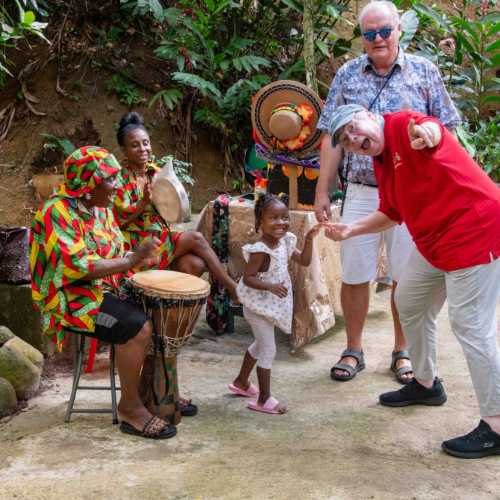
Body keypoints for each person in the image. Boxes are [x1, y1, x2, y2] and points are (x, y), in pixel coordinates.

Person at [324, 104, 500, 458]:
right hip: (435, 242)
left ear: (370, 115)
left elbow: (430, 130)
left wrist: (428, 135)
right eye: (346, 141)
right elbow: (392, 211)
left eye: (354, 128)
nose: (354, 139)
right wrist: (352, 228)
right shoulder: (382, 162)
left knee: (471, 325)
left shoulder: (403, 126)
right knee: (409, 303)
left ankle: (496, 425)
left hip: (475, 231)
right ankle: (425, 383)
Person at [314, 0, 461, 384]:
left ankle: (402, 350)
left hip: (413, 195)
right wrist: (322, 193)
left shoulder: (424, 71)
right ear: (361, 38)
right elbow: (330, 139)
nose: (378, 39)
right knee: (355, 272)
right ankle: (353, 349)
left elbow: (447, 130)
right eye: (370, 33)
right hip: (363, 189)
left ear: (399, 30)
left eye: (385, 31)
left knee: (405, 275)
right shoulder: (347, 75)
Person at [30, 146, 176, 439]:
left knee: (162, 310)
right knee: (136, 327)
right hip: (69, 298)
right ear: (87, 184)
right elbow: (81, 267)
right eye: (109, 180)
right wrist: (132, 259)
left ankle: (156, 390)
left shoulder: (101, 210)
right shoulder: (54, 213)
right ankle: (131, 407)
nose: (117, 187)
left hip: (104, 288)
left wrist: (139, 258)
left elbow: (115, 252)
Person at [113, 111, 239, 417]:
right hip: (139, 249)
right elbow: (117, 218)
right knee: (195, 240)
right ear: (124, 151)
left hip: (161, 238)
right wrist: (145, 201)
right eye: (134, 145)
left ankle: (168, 374)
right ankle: (232, 288)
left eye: (145, 143)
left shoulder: (157, 171)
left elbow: (176, 212)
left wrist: (166, 194)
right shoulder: (118, 178)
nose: (142, 149)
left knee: (194, 264)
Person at [229, 194, 322, 414]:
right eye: (273, 218)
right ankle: (264, 399)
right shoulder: (260, 250)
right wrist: (270, 286)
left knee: (260, 345)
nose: (281, 222)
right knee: (268, 350)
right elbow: (248, 278)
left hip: (272, 304)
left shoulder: (286, 241)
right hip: (257, 306)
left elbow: (305, 261)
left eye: (284, 217)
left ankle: (241, 382)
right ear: (260, 222)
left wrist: (309, 240)